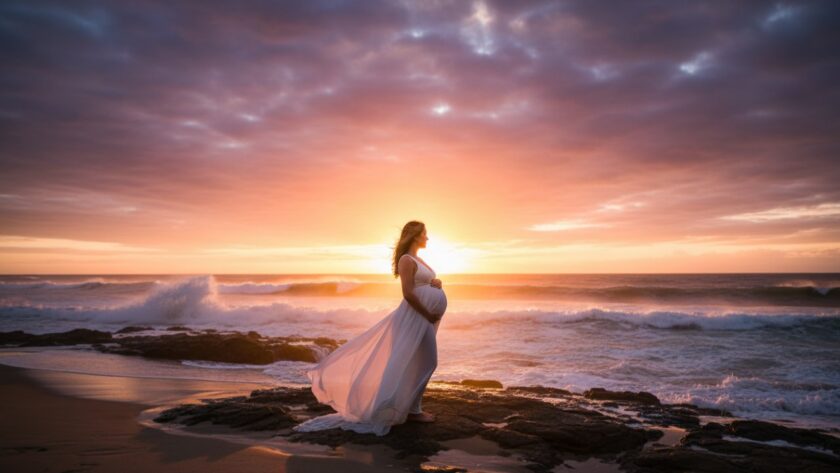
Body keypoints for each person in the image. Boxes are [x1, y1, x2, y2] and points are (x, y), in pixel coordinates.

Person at [292, 220, 447, 436]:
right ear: (414, 236)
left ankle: (410, 408)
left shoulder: (419, 260)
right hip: (415, 317)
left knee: (421, 362)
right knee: (427, 361)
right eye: (425, 234)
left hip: (421, 318)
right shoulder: (406, 260)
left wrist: (436, 283)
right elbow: (408, 293)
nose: (427, 238)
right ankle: (411, 410)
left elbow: (423, 284)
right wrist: (428, 313)